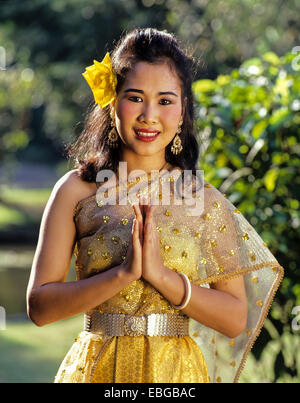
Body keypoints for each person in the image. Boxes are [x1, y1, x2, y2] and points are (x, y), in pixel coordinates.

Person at [26, 28, 284, 383]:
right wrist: (123, 274)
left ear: (182, 111)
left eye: (165, 101)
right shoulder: (76, 191)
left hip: (177, 377)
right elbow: (39, 308)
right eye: (135, 98)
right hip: (96, 371)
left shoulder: (203, 199)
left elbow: (235, 318)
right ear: (112, 101)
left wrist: (162, 278)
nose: (149, 115)